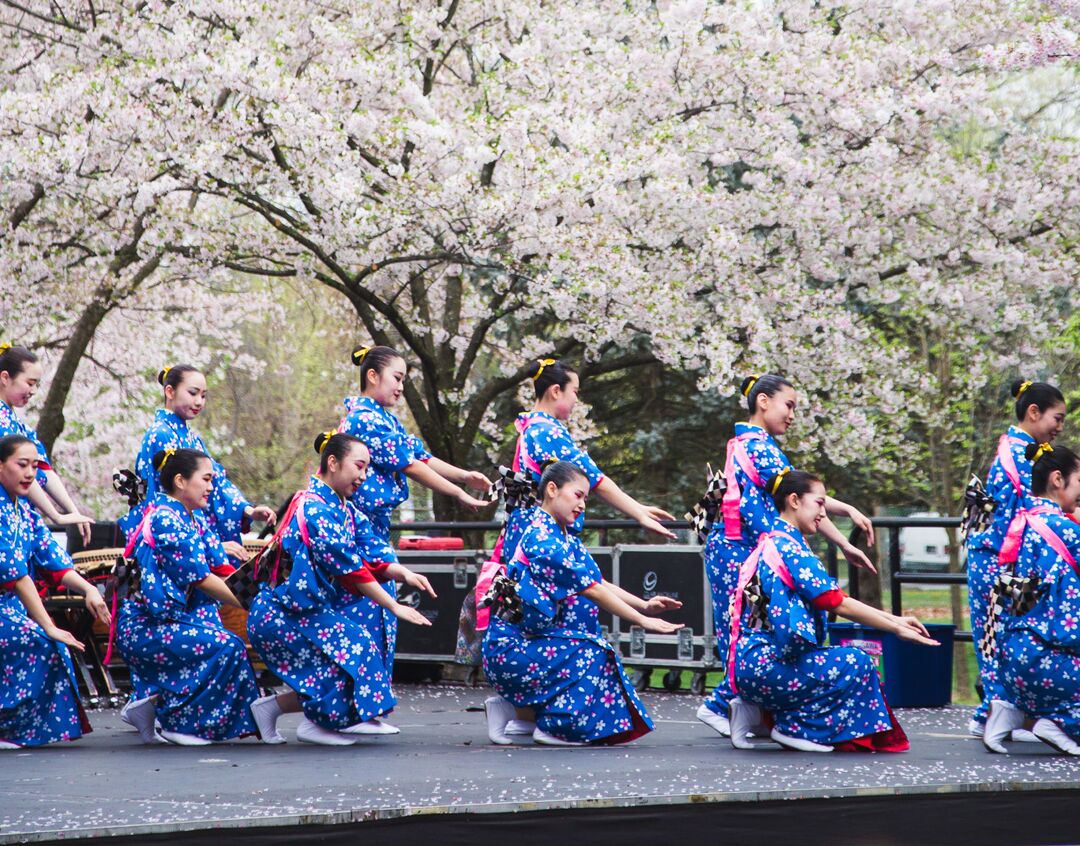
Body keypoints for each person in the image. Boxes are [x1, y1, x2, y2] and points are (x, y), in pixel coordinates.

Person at [697, 374, 876, 737]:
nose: (793, 415)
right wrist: (845, 529)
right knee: (749, 630)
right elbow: (800, 497)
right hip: (739, 550)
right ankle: (722, 704)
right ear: (763, 401)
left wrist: (842, 526)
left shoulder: (748, 442)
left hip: (738, 548)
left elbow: (801, 499)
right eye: (789, 405)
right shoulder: (758, 446)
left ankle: (743, 706)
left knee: (750, 629)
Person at [727, 469, 937, 752]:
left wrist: (895, 619)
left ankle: (754, 711)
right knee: (856, 663)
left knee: (836, 659)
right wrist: (895, 626)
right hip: (769, 666)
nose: (823, 513)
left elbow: (835, 598)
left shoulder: (773, 541)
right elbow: (835, 601)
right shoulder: (789, 548)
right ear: (794, 500)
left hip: (752, 665)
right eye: (820, 503)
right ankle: (795, 729)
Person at [247, 432, 436, 746]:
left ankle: (278, 710)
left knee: (357, 643)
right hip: (283, 614)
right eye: (359, 466)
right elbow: (350, 568)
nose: (363, 476)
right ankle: (317, 724)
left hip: (307, 610)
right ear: (332, 463)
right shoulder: (314, 509)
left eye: (366, 469)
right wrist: (395, 605)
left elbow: (371, 551)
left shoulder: (342, 509)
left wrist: (401, 573)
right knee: (352, 648)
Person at [482, 460, 683, 746]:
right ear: (552, 489)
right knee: (595, 653)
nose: (583, 505)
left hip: (532, 640)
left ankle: (515, 712)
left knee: (590, 646)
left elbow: (596, 581)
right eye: (578, 495)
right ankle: (553, 727)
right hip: (511, 648)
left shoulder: (563, 535)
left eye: (586, 498)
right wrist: (644, 621)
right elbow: (592, 590)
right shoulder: (541, 539)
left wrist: (644, 605)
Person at [337, 345, 489, 677]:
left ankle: (367, 705)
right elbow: (410, 466)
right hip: (358, 528)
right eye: (397, 378)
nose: (401, 387)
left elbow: (420, 457)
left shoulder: (383, 418)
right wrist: (457, 493)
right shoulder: (363, 418)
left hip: (372, 529)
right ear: (373, 376)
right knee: (365, 613)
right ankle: (356, 706)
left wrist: (464, 476)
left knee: (377, 613)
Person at [117, 448, 261, 745]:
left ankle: (154, 707)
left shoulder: (193, 520)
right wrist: (252, 601)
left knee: (224, 641)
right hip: (146, 625)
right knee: (226, 646)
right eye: (206, 479)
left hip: (171, 619)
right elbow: (201, 578)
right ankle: (180, 723)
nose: (212, 487)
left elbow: (220, 568)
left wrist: (263, 585)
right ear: (181, 481)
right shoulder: (165, 519)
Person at [965, 379, 1066, 737]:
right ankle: (993, 713)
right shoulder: (1018, 455)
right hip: (997, 559)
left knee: (1000, 638)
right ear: (1033, 412)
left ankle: (997, 713)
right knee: (998, 640)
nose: (1059, 427)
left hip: (997, 557)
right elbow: (1028, 512)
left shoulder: (1020, 450)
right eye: (1057, 418)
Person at [0, 434, 110, 749]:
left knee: (50, 641)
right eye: (22, 465)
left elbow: (56, 564)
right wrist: (48, 625)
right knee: (41, 639)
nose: (30, 473)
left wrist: (89, 589)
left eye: (35, 466)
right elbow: (17, 575)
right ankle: (8, 726)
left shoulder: (26, 514)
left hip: (13, 606)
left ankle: (19, 725)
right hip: (6, 604)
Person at [119, 364, 277, 559]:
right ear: (170, 391)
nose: (199, 402)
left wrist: (248, 510)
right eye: (193, 393)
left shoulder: (192, 439)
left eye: (203, 396)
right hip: (176, 541)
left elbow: (217, 483)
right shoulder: (160, 434)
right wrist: (210, 544)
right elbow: (164, 499)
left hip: (195, 535)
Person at [984, 443, 1080, 755]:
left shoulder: (1018, 525)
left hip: (1011, 661)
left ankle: (1008, 709)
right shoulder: (1067, 529)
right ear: (1057, 479)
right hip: (1052, 661)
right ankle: (1060, 721)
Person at [0, 343, 93, 544]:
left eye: (36, 385)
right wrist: (56, 515)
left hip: (20, 514)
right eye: (30, 383)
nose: (33, 391)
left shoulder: (18, 424)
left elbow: (42, 467)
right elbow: (23, 474)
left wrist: (72, 511)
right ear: (5, 378)